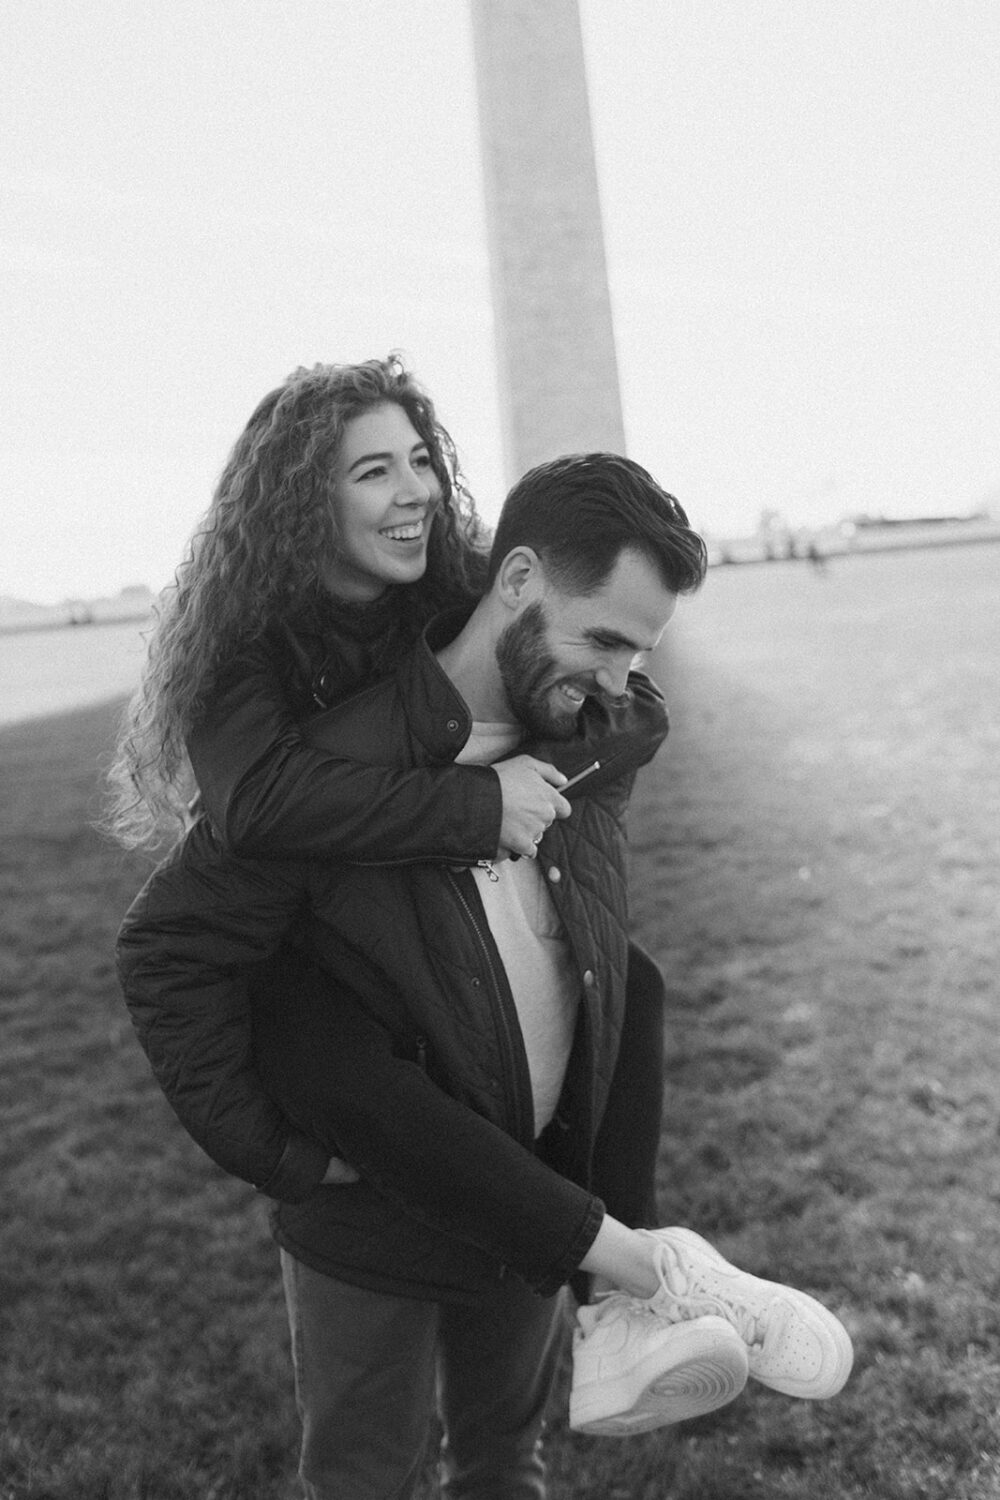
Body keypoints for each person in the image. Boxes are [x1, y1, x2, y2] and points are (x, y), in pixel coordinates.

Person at [117, 451, 853, 1497]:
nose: (615, 680)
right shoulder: (328, 768)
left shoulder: (594, 726)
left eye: (637, 654)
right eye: (599, 638)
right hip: (374, 1206)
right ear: (514, 581)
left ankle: (622, 1298)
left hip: (529, 1186)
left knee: (507, 1467)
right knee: (365, 1481)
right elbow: (167, 948)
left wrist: (618, 702)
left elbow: (608, 915)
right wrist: (274, 1154)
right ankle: (654, 1271)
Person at [106, 358, 666, 1239]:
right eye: (374, 472)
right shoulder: (242, 649)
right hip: (328, 978)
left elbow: (628, 707)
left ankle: (625, 1285)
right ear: (301, 501)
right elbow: (260, 804)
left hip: (463, 975)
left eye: (419, 460)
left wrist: (550, 764)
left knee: (637, 983)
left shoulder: (458, 594)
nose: (416, 493)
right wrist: (477, 806)